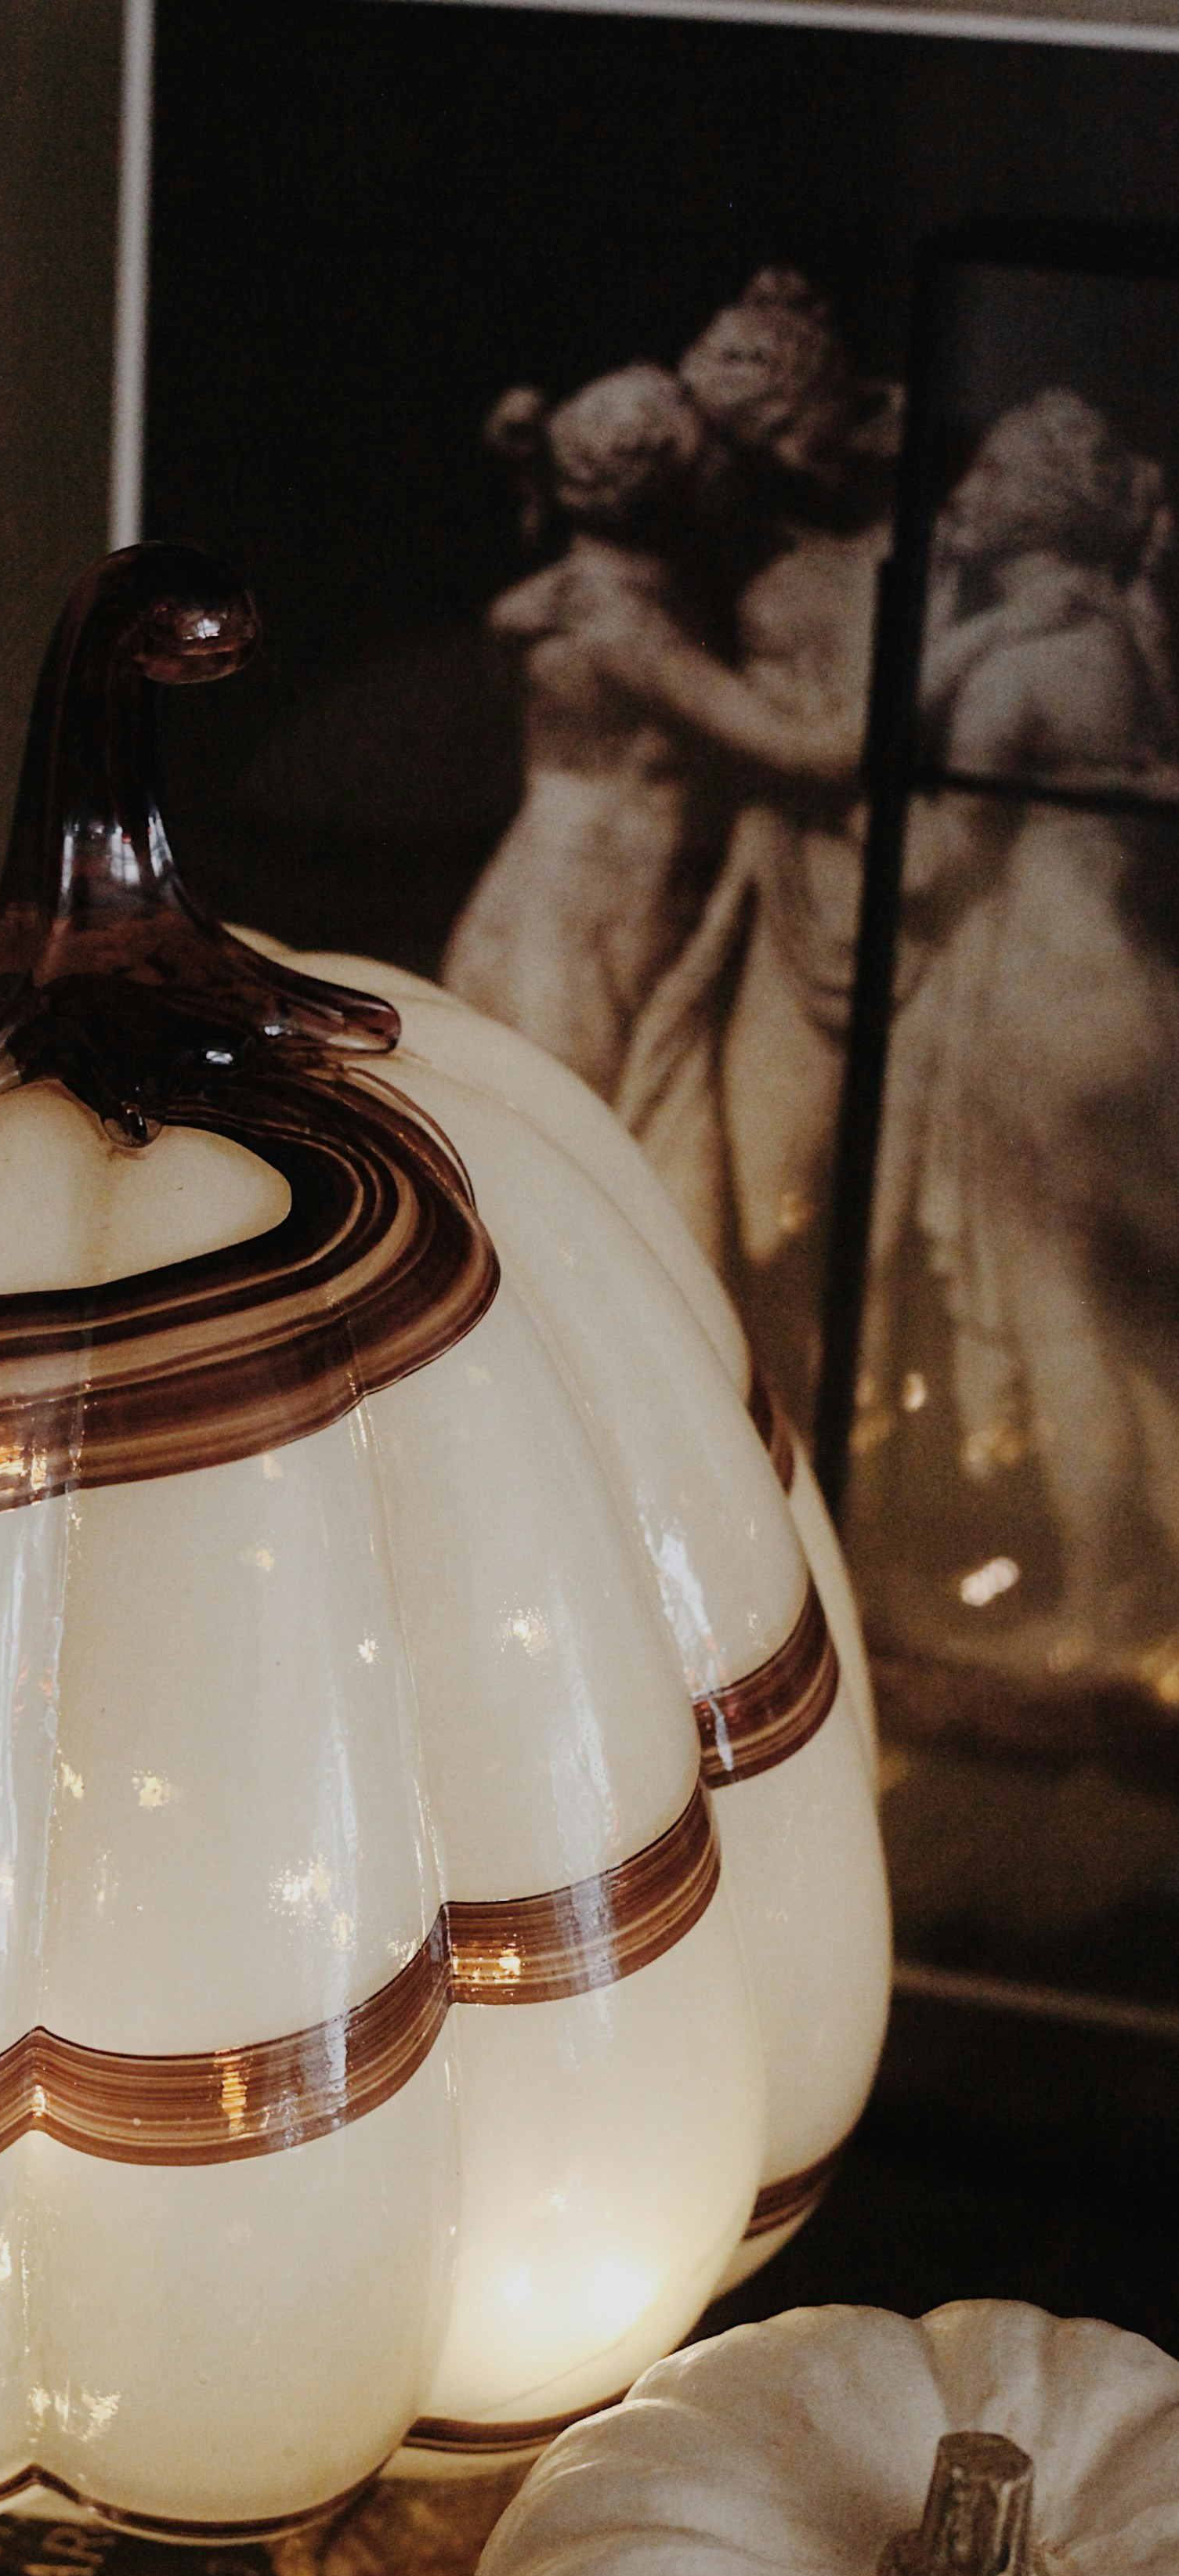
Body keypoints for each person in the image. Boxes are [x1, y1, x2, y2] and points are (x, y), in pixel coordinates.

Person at [871, 389, 1179, 1689]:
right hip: (1131, 1000)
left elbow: (933, 863)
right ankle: (1144, 1592)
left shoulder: (1017, 669)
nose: (964, 501)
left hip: (1040, 1013)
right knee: (1136, 1328)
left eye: (987, 478)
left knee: (1066, 1327)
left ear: (1032, 505)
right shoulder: (1124, 642)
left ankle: (1106, 1609)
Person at [608, 273, 899, 1414]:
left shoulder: (893, 535)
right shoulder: (719, 556)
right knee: (765, 1190)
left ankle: (828, 1419)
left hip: (873, 875)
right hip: (773, 880)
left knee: (843, 1207)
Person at [441, 359, 857, 1103]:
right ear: (675, 494)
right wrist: (956, 655)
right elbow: (806, 756)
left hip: (548, 903)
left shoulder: (551, 600)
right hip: (592, 930)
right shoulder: (622, 625)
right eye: (716, 467)